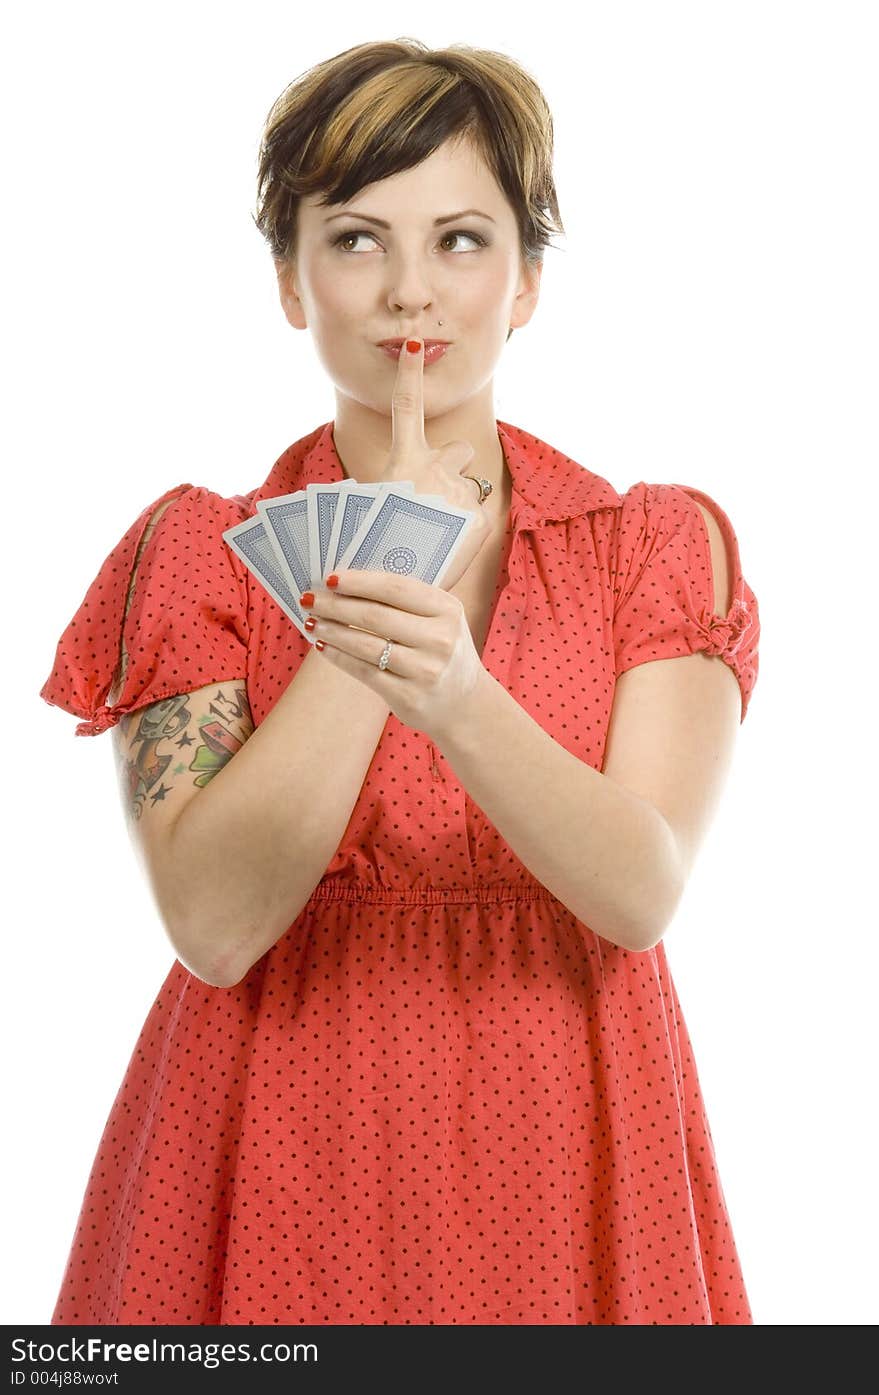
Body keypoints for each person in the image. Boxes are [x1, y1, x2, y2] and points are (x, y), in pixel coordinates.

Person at [40, 38, 760, 1326]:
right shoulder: (193, 555)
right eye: (358, 240)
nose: (409, 293)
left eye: (464, 241)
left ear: (529, 279)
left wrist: (461, 693)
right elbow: (212, 925)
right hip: (270, 1145)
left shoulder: (654, 545)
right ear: (289, 279)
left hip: (571, 1142)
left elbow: (640, 892)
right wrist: (370, 620)